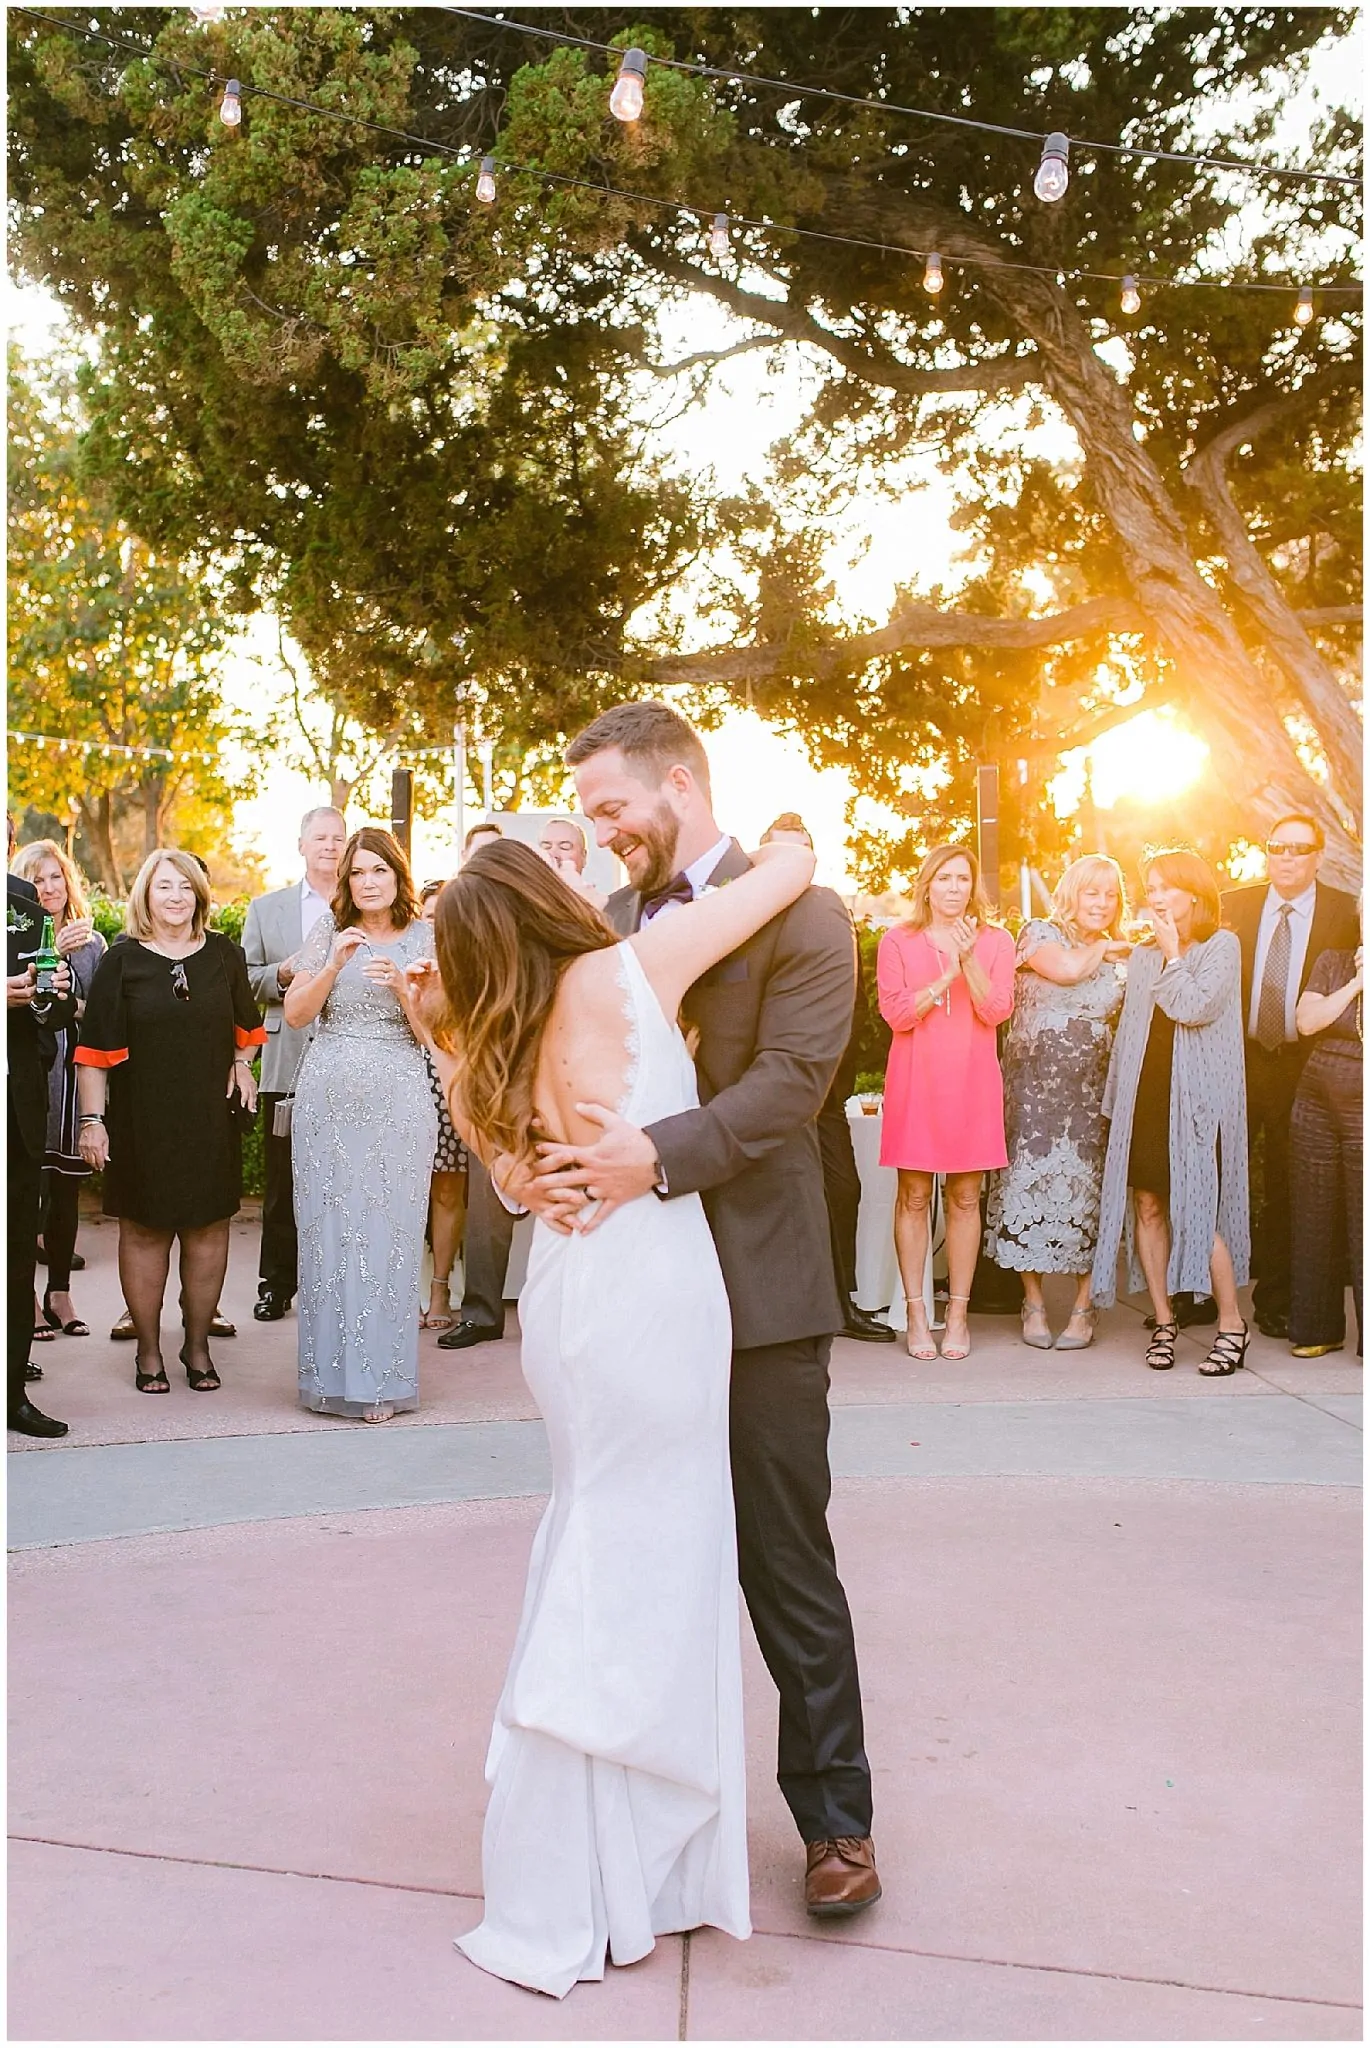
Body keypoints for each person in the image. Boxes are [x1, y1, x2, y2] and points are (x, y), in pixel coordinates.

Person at [412, 824, 818, 1996]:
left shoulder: (484, 1034)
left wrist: (506, 1159)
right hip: (649, 1289)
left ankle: (609, 1860)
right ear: (551, 899)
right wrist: (784, 841)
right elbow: (783, 874)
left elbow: (508, 1174)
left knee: (599, 1532)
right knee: (653, 1551)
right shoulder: (627, 966)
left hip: (570, 1295)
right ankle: (614, 1860)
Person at [517, 701, 879, 1924]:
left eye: (613, 804)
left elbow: (789, 1085)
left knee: (784, 1555)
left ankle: (835, 1822)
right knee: (634, 1543)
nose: (602, 829)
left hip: (762, 1288)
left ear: (680, 781)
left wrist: (650, 1159)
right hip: (634, 1291)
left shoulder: (813, 915)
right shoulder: (608, 926)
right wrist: (550, 1168)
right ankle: (647, 1820)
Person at [74, 850, 263, 1394]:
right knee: (145, 1233)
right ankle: (150, 1350)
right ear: (145, 897)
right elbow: (94, 1052)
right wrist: (93, 1121)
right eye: (164, 887)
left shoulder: (225, 955)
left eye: (185, 886)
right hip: (141, 1122)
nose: (176, 896)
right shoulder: (122, 962)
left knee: (208, 1230)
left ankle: (197, 1345)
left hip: (209, 1119)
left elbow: (246, 1030)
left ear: (200, 894)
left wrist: (240, 1065)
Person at [283, 828, 437, 1421]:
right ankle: (329, 1375)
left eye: (379, 871)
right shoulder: (328, 930)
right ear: (345, 881)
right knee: (329, 1232)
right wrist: (334, 965)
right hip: (327, 1099)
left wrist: (405, 989)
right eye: (357, 873)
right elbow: (296, 1016)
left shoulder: (426, 938)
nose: (368, 882)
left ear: (398, 876)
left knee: (389, 1234)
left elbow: (437, 1038)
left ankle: (380, 1380)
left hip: (399, 1097)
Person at [1091, 850, 1251, 1374]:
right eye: (1150, 887)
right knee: (1150, 1207)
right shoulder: (1142, 956)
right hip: (1148, 1095)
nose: (1154, 896)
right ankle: (1164, 1320)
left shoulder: (1221, 946)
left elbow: (1196, 1007)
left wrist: (1173, 953)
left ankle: (1231, 1323)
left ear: (1194, 894)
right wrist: (1117, 1103)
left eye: (1165, 887)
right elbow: (1130, 1034)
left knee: (1199, 1207)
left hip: (1197, 1103)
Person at [984, 855, 1129, 1350]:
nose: (1102, 904)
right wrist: (1108, 946)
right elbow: (1067, 971)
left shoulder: (1123, 960)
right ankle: (1034, 1303)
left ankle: (1084, 1308)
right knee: (1027, 1189)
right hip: (1032, 1097)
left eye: (1111, 895)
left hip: (1092, 1099)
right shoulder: (1038, 934)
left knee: (1090, 1199)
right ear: (1071, 894)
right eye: (1093, 893)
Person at [877, 844, 1015, 1361]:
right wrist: (945, 977)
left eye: (963, 878)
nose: (954, 887)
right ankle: (917, 1313)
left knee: (964, 1199)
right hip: (915, 1080)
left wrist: (966, 959)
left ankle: (957, 1313)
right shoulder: (898, 940)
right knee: (913, 1197)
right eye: (945, 878)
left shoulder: (996, 942)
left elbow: (997, 1009)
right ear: (927, 885)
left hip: (973, 1081)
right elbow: (897, 1015)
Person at [1223, 815, 1357, 1339]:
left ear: (1318, 857)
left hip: (1307, 1068)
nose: (1287, 857)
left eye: (1300, 850)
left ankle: (1276, 1299)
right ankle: (1201, 1294)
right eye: (1278, 847)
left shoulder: (1345, 912)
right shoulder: (1233, 905)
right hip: (1237, 1058)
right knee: (1217, 1177)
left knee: (1287, 1185)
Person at [760, 813, 893, 1343]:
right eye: (780, 853)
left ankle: (843, 1304)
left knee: (843, 1189)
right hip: (763, 1094)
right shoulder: (742, 920)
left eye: (801, 854)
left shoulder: (833, 919)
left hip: (822, 1093)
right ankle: (777, 1313)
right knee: (771, 1201)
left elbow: (852, 1010)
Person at [240, 805, 348, 1322]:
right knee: (283, 1183)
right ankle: (276, 1284)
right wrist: (284, 974)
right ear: (301, 845)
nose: (329, 846)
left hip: (352, 1057)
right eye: (320, 838)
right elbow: (244, 980)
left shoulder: (363, 903)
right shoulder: (267, 908)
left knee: (343, 1179)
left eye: (337, 838)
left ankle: (338, 1284)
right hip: (287, 1059)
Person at [10, 841, 106, 1342]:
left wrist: (73, 969)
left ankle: (60, 1290)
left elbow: (101, 1018)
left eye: (55, 878)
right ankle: (22, 1293)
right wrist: (50, 954)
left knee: (66, 1183)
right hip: (30, 1070)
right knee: (27, 1184)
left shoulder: (93, 945)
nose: (48, 888)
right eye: (37, 880)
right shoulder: (13, 939)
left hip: (75, 1072)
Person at [8, 848, 75, 1438]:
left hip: (18, 1105)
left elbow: (52, 1019)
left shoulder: (26, 912)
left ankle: (12, 1396)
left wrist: (49, 995)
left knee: (13, 1256)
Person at [1289, 900, 1362, 1358]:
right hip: (1316, 1091)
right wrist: (1358, 982)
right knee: (1313, 1210)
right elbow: (1306, 1021)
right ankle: (1318, 1329)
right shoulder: (1333, 962)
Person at [418, 881, 466, 1328]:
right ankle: (401, 1288)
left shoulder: (467, 960)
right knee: (405, 1189)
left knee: (448, 1189)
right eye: (428, 914)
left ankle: (440, 1289)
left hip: (449, 1074)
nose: (435, 923)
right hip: (405, 1074)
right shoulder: (401, 956)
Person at [537, 814, 608, 910]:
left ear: (584, 857)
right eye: (546, 847)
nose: (553, 854)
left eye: (565, 847)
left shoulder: (600, 906)